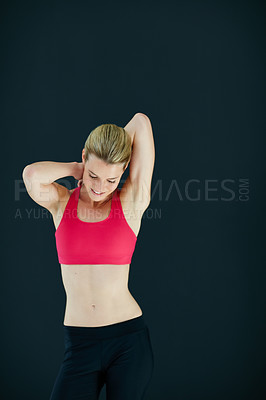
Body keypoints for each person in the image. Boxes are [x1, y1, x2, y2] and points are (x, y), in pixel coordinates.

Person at [22, 112, 155, 400]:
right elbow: (31, 175)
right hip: (80, 344)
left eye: (111, 179)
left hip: (128, 342)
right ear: (84, 158)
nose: (100, 187)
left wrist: (114, 149)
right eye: (93, 175)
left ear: (123, 173)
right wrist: (76, 168)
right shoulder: (60, 203)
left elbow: (141, 122)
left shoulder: (131, 203)